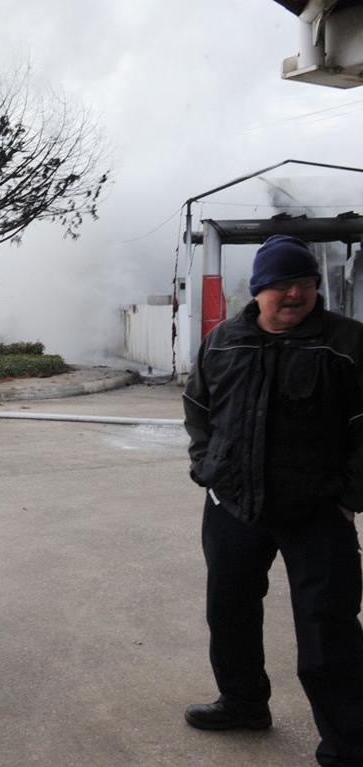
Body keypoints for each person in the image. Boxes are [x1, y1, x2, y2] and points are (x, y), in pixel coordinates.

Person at [183, 234, 363, 766]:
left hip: (317, 510)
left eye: (305, 282)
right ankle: (242, 703)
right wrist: (208, 468)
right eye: (283, 283)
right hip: (234, 504)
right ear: (259, 289)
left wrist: (350, 496)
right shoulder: (223, 341)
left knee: (327, 626)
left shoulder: (347, 342)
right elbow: (198, 408)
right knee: (230, 611)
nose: (295, 293)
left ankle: (349, 745)